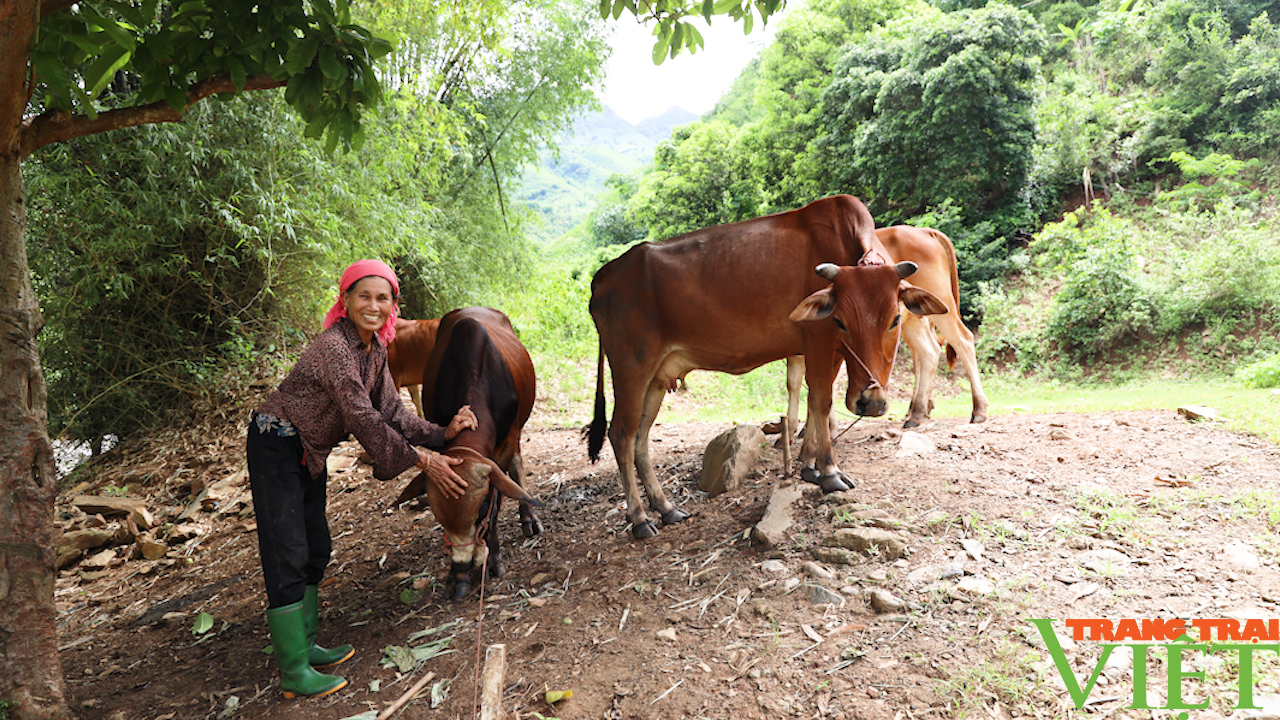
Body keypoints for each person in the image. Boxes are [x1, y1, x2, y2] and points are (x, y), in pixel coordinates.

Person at [246, 259, 476, 699]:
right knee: (287, 550)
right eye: (363, 296)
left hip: (307, 451)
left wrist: (442, 431)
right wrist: (423, 462)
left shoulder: (375, 351)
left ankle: (308, 645)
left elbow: (392, 411)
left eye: (382, 298)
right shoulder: (334, 348)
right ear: (345, 300)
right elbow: (363, 419)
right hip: (275, 442)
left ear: (393, 306)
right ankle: (294, 670)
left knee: (317, 546)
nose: (373, 305)